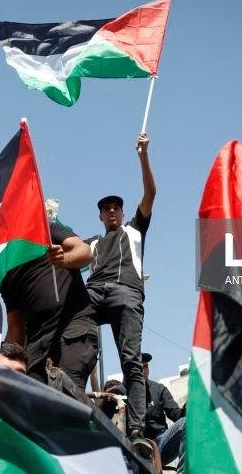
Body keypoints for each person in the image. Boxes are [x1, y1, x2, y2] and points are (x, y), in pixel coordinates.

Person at [86, 131, 156, 442]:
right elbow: (62, 244)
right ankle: (74, 401)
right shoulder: (93, 243)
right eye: (106, 207)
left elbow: (151, 193)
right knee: (69, 326)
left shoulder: (135, 230)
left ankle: (138, 430)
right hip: (95, 292)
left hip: (127, 294)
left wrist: (143, 156)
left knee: (131, 360)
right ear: (100, 215)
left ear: (123, 212)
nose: (112, 210)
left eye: (116, 206)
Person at [1, 217, 98, 391]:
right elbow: (15, 328)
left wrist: (64, 258)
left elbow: (86, 252)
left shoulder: (47, 230)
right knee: (33, 404)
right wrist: (5, 360)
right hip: (36, 346)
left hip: (72, 329)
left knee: (65, 398)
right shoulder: (5, 270)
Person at [142, 353, 185, 470]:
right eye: (140, 368)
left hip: (161, 445)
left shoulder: (159, 389)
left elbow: (177, 415)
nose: (144, 371)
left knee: (186, 422)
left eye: (146, 366)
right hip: (135, 448)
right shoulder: (120, 392)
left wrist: (188, 406)